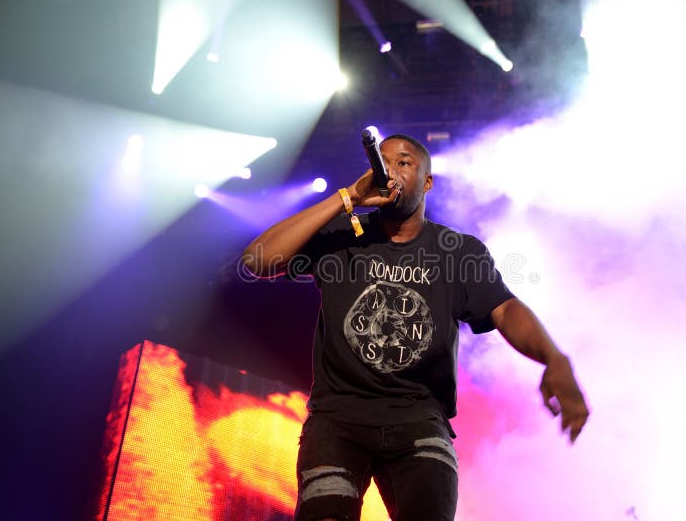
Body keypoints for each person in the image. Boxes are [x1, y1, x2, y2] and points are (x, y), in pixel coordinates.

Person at [242, 134, 589, 521]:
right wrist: (347, 200)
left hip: (418, 420)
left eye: (404, 163)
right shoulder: (341, 240)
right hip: (337, 419)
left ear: (427, 182)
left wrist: (553, 357)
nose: (390, 170)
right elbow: (257, 260)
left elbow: (504, 309)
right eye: (384, 162)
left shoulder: (458, 251)